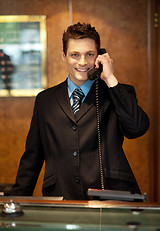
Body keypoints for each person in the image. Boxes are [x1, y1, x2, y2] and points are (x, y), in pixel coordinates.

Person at [10, 22, 149, 200]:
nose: (82, 62)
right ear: (64, 55)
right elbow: (32, 156)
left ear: (99, 56)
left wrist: (110, 78)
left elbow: (137, 128)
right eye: (75, 55)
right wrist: (15, 202)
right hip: (62, 195)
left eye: (89, 54)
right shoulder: (45, 100)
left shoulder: (117, 92)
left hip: (111, 197)